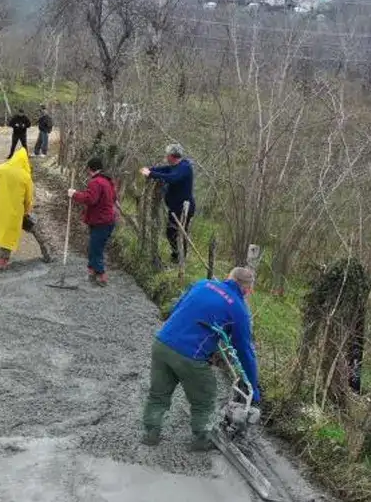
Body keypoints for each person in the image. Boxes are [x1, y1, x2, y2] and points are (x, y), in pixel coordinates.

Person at [143, 267, 260, 451]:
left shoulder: (203, 284)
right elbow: (244, 351)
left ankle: (151, 433)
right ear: (247, 290)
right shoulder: (238, 309)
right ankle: (201, 438)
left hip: (162, 343)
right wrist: (253, 386)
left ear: (228, 278)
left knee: (158, 393)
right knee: (205, 397)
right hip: (190, 356)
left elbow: (176, 307)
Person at [139, 143, 196, 265]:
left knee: (179, 234)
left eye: (167, 155)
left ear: (172, 156)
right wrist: (149, 169)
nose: (166, 157)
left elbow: (172, 178)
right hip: (174, 207)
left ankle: (180, 259)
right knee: (170, 232)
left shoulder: (185, 167)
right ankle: (176, 256)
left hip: (184, 208)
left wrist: (151, 174)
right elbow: (163, 169)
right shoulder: (174, 165)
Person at [67, 157, 118, 287]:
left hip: (101, 221)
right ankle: (92, 271)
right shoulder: (108, 180)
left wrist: (74, 194)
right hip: (107, 220)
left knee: (96, 248)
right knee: (94, 246)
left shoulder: (95, 182)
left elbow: (90, 199)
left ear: (90, 169)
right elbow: (113, 197)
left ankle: (101, 275)